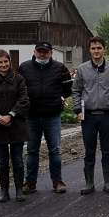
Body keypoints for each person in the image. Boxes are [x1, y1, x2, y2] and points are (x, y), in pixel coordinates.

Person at [19, 41, 72, 194]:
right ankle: (30, 183)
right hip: (32, 116)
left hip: (52, 115)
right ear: (34, 52)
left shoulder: (60, 68)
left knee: (55, 150)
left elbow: (68, 87)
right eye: (40, 51)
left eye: (45, 52)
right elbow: (19, 88)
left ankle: (57, 182)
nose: (42, 54)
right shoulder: (24, 67)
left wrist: (61, 97)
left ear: (51, 53)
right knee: (32, 151)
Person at [71, 36, 109, 195]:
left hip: (107, 116)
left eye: (99, 48)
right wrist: (78, 110)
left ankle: (108, 183)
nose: (96, 51)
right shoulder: (82, 69)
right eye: (93, 48)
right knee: (89, 151)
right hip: (88, 117)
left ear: (104, 49)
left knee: (107, 151)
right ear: (89, 50)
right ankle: (89, 183)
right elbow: (76, 90)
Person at [0, 50, 30, 203]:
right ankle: (4, 191)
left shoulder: (19, 79)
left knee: (17, 159)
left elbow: (24, 99)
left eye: (6, 61)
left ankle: (18, 190)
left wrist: (11, 114)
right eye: (0, 62)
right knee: (2, 161)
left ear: (10, 62)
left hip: (16, 124)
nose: (3, 65)